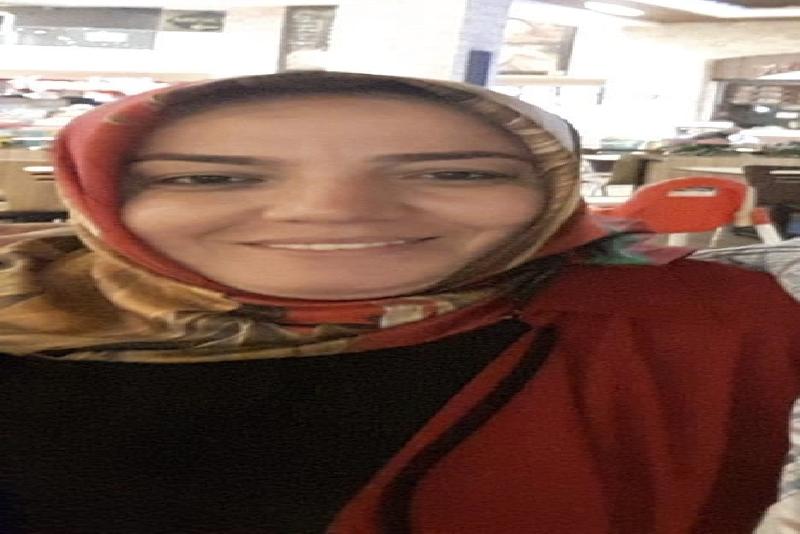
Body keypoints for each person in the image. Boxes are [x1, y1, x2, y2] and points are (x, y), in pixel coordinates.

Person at [0, 71, 797, 533]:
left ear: (555, 191)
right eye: (210, 177)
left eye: (455, 172)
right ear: (99, 195)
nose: (331, 212)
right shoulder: (22, 318)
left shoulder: (705, 324)